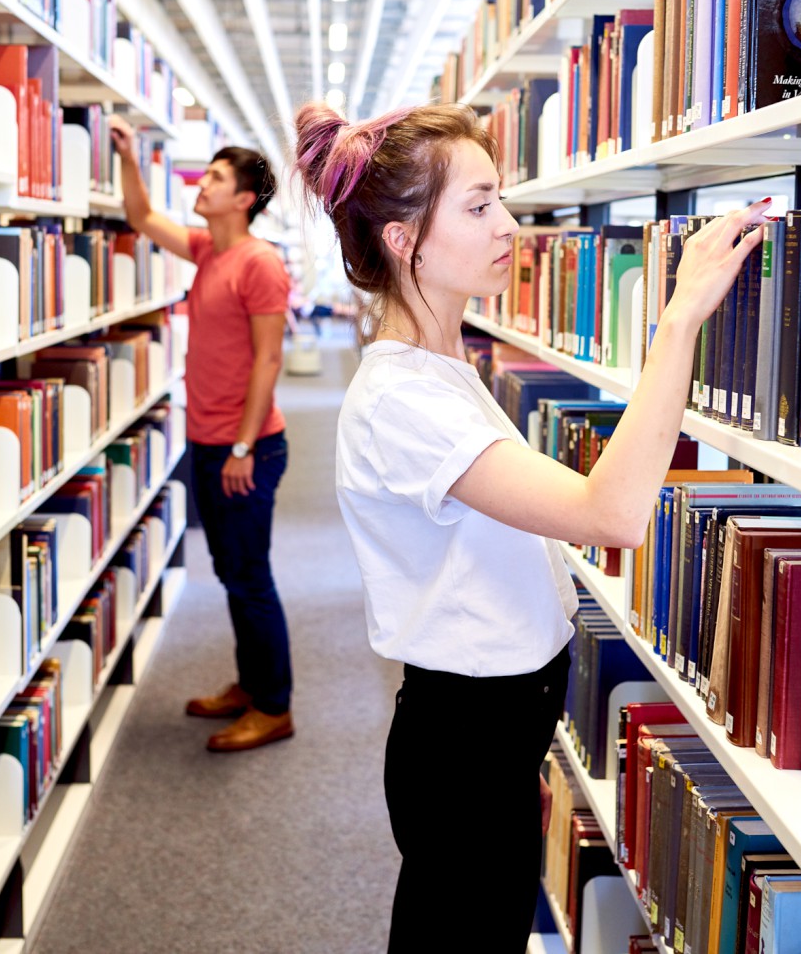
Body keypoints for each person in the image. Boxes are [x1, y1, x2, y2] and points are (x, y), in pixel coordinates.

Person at [295, 101, 766, 949]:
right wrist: (680, 316)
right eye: (478, 207)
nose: (509, 226)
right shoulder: (405, 398)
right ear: (404, 240)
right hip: (465, 739)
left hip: (494, 730)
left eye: (500, 199)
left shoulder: (443, 365)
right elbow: (613, 514)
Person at [110, 116, 295, 753]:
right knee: (230, 570)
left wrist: (243, 447)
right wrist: (130, 157)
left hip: (247, 448)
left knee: (250, 577)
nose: (203, 183)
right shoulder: (208, 249)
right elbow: (141, 217)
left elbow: (269, 360)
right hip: (211, 441)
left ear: (244, 198)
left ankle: (273, 706)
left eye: (216, 177)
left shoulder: (259, 263)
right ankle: (251, 684)